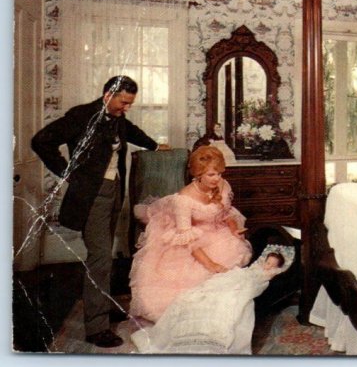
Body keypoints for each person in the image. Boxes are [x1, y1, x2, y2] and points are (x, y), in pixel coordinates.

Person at [31, 75, 170, 348]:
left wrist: (154, 145)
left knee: (105, 253)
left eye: (130, 103)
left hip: (114, 190)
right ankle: (96, 327)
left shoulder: (116, 117)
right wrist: (66, 171)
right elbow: (41, 141)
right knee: (100, 258)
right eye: (124, 102)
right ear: (108, 94)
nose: (126, 108)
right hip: (92, 196)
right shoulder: (81, 115)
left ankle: (103, 306)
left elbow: (130, 130)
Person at [129, 145, 252, 323]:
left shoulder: (223, 185)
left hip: (215, 231)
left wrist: (233, 228)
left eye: (219, 173)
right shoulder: (183, 199)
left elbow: (226, 212)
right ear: (198, 175)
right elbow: (188, 242)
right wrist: (211, 264)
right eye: (211, 175)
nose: (217, 179)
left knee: (233, 252)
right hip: (190, 241)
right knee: (195, 278)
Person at [130, 247, 292, 355]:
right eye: (267, 262)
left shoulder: (268, 274)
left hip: (251, 281)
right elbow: (246, 271)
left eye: (272, 264)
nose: (268, 265)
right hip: (242, 276)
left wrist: (273, 270)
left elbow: (264, 279)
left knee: (233, 297)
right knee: (214, 286)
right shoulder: (257, 267)